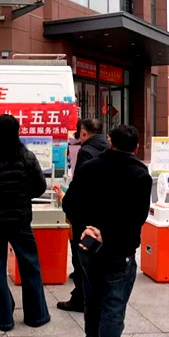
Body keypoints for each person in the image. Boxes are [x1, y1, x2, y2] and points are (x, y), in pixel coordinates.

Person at [55, 125, 152, 337]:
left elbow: (70, 204)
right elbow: (137, 217)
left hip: (88, 246)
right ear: (136, 147)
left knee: (92, 297)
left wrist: (88, 228)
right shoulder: (140, 175)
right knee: (114, 304)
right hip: (120, 249)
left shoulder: (89, 168)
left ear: (111, 143)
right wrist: (106, 233)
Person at [0, 115, 50, 331]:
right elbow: (40, 186)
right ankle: (36, 315)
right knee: (30, 266)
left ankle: (4, 318)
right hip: (20, 220)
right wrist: (22, 195)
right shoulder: (27, 157)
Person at [57, 118, 108, 313]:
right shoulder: (107, 148)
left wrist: (66, 203)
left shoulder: (86, 151)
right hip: (102, 212)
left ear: (84, 132)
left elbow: (80, 185)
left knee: (82, 256)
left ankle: (80, 298)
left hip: (85, 213)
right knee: (97, 255)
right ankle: (95, 295)